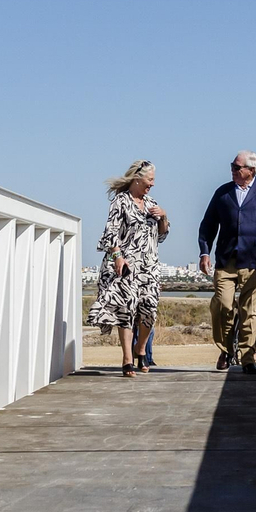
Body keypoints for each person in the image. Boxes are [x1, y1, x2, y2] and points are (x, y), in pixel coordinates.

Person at [197, 150, 256, 374]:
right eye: (232, 166)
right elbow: (208, 225)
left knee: (249, 311)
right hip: (225, 262)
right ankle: (226, 349)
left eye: (237, 167)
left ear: (251, 170)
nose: (233, 170)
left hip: (255, 262)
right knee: (223, 305)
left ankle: (248, 359)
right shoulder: (223, 192)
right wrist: (204, 252)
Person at [87, 160, 169, 377]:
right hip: (127, 265)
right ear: (137, 178)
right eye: (150, 180)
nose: (152, 184)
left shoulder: (152, 203)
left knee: (149, 310)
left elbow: (161, 235)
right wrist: (117, 257)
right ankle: (127, 359)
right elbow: (111, 231)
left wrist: (164, 216)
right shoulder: (120, 201)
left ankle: (140, 348)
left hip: (149, 266)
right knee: (127, 309)